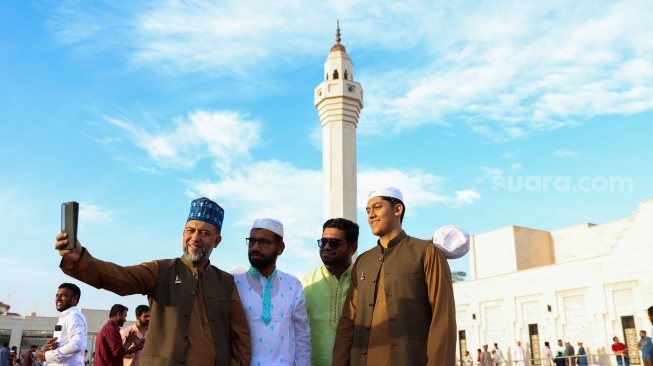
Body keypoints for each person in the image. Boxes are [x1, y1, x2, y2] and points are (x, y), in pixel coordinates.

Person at [55, 197, 251, 365]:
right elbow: (121, 277)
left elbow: (241, 335)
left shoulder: (226, 282)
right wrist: (81, 259)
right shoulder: (161, 270)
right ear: (183, 234)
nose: (195, 238)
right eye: (190, 230)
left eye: (205, 233)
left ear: (217, 241)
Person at [332, 186, 457, 366]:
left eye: (377, 207)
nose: (371, 215)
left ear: (397, 209)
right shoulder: (363, 261)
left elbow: (442, 318)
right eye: (368, 211)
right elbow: (347, 322)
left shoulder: (426, 252)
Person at [232, 218, 311, 365]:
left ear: (280, 248)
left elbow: (302, 335)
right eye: (252, 241)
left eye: (263, 242)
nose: (255, 247)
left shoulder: (293, 284)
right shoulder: (232, 281)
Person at [300, 218, 358, 366]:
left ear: (352, 248)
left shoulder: (363, 283)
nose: (326, 247)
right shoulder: (304, 284)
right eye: (323, 242)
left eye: (334, 243)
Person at [35, 283, 88, 366]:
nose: (58, 299)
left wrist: (48, 356)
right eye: (57, 296)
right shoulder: (65, 317)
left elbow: (77, 345)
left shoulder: (74, 316)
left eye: (63, 296)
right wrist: (48, 348)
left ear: (74, 298)